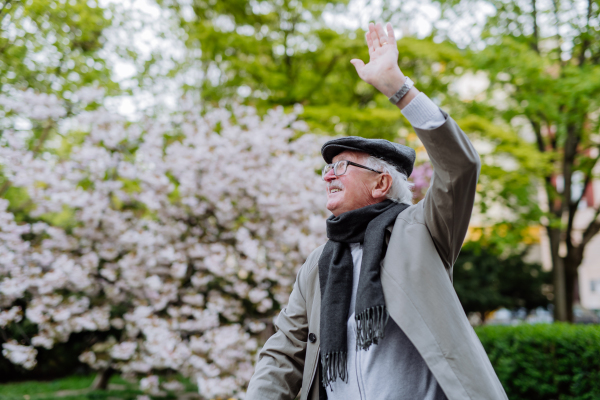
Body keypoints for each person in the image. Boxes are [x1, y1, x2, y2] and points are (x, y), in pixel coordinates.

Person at [246, 22, 508, 400]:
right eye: (326, 169)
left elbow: (460, 168)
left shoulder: (420, 231)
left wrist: (398, 89)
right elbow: (284, 351)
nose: (328, 177)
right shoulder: (318, 264)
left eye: (341, 167)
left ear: (381, 184)